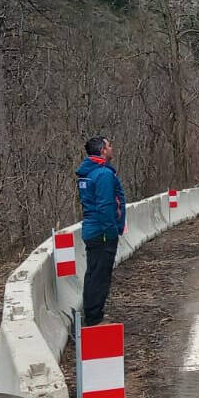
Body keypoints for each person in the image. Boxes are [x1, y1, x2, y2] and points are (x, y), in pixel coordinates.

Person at [76, 135, 127, 325]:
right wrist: (111, 232)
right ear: (102, 151)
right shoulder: (103, 174)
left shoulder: (88, 173)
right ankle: (94, 319)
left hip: (93, 229)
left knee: (93, 274)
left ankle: (92, 314)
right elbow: (106, 205)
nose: (112, 148)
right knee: (100, 276)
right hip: (102, 232)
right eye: (109, 146)